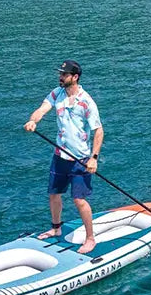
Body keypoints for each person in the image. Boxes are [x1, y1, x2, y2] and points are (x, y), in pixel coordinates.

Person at [24, 60, 104, 254]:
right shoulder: (57, 94)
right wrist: (33, 120)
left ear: (75, 77)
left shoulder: (86, 102)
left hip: (80, 159)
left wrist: (93, 158)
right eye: (60, 73)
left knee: (79, 200)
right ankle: (56, 227)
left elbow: (98, 131)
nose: (60, 77)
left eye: (64, 74)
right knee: (54, 194)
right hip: (60, 156)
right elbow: (42, 109)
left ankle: (90, 238)